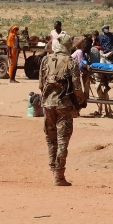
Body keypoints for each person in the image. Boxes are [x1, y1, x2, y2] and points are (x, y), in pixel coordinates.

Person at [39, 33, 87, 186]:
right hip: (64, 106)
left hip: (47, 104)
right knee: (62, 140)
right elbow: (77, 87)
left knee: (50, 138)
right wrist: (81, 101)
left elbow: (41, 84)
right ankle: (59, 175)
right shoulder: (71, 62)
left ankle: (53, 170)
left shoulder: (46, 60)